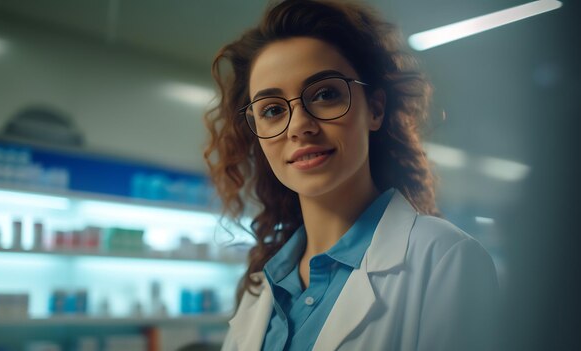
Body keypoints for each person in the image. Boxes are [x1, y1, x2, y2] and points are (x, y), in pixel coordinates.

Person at [204, 0, 499, 350]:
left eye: (325, 94)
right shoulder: (263, 287)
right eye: (271, 110)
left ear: (374, 109)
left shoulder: (445, 260)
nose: (299, 126)